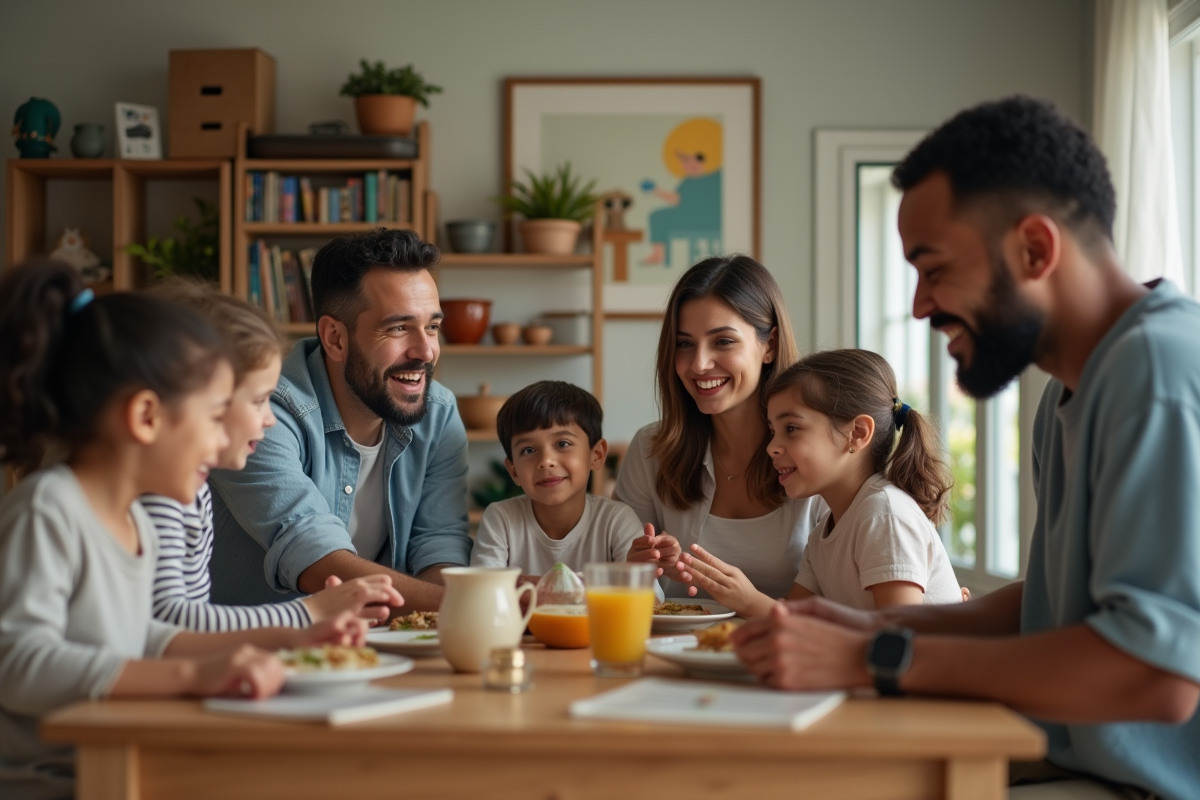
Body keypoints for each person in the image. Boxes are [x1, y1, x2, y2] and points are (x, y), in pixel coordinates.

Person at [730, 97, 1200, 800]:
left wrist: (877, 653)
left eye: (935, 268)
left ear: (1035, 249)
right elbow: (1048, 605)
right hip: (1071, 760)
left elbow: (1156, 676)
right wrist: (872, 622)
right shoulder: (1071, 391)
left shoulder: (1155, 372)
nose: (919, 305)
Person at [0, 262, 365, 800]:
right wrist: (193, 677)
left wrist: (264, 646)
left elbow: (144, 639)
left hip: (124, 760)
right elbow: (17, 662)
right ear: (147, 417)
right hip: (57, 783)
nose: (218, 443)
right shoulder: (49, 508)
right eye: (214, 416)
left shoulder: (129, 523)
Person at [208, 228, 472, 613]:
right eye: (399, 328)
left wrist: (440, 621)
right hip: (251, 654)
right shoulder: (261, 414)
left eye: (432, 327)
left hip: (374, 650)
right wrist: (480, 604)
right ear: (335, 338)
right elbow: (315, 556)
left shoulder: (438, 411)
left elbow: (439, 544)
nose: (426, 351)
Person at [140, 282, 403, 631]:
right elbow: (169, 624)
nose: (270, 418)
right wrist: (310, 613)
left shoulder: (193, 495)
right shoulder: (157, 501)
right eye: (257, 400)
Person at [675, 349, 962, 615]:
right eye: (773, 431)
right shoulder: (823, 534)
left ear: (857, 433)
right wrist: (738, 596)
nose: (771, 447)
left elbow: (899, 643)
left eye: (791, 428)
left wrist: (751, 600)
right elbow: (795, 619)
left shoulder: (884, 516)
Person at [614, 255, 824, 601]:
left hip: (793, 653)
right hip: (672, 653)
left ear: (768, 345)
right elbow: (619, 583)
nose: (698, 364)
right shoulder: (651, 449)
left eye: (723, 341)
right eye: (684, 343)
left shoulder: (819, 451)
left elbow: (848, 606)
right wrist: (635, 566)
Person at [470, 381, 642, 579]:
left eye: (563, 443)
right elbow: (483, 588)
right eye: (528, 450)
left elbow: (647, 596)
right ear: (514, 470)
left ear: (596, 455)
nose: (545, 461)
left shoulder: (616, 520)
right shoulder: (500, 518)